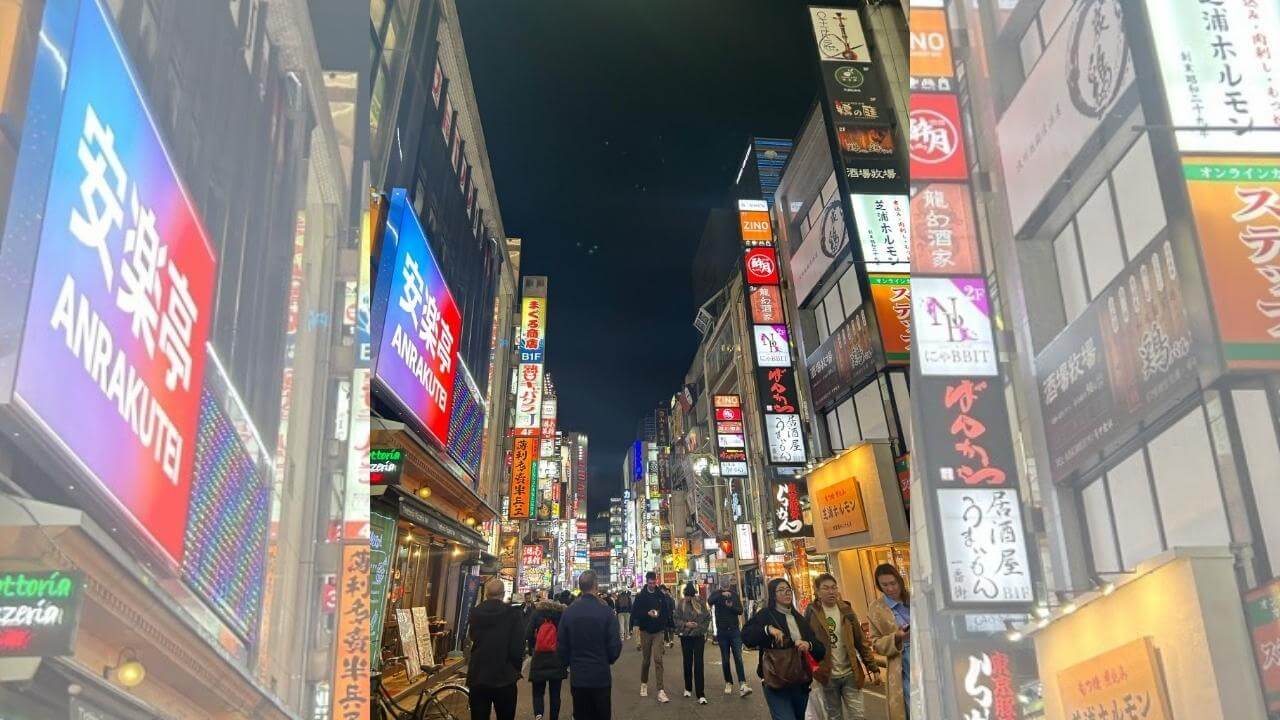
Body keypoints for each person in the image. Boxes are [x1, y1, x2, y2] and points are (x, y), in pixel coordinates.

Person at [742, 578, 826, 720]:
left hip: (800, 681)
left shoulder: (799, 618)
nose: (786, 593)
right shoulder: (765, 615)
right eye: (781, 590)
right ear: (773, 595)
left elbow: (820, 650)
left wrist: (808, 645)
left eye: (788, 590)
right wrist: (767, 630)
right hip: (775, 680)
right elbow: (746, 637)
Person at [804, 574, 880, 720]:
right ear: (818, 592)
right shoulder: (811, 613)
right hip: (827, 675)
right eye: (825, 588)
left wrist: (873, 667)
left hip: (850, 672)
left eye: (834, 587)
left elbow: (860, 641)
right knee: (834, 716)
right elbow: (807, 643)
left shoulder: (847, 610)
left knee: (858, 715)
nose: (831, 591)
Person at [557, 571, 622, 720]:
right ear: (596, 586)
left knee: (581, 714)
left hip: (578, 676)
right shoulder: (606, 612)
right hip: (601, 676)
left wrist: (569, 662)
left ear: (580, 587)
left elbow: (561, 646)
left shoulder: (569, 612)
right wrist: (607, 660)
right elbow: (615, 647)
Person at [467, 578, 525, 720]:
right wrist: (515, 669)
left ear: (486, 593)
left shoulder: (475, 612)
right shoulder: (513, 614)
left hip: (479, 674)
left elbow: (472, 637)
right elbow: (517, 648)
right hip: (504, 676)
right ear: (503, 594)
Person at [867, 564, 909, 720]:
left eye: (893, 583)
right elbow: (875, 643)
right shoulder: (876, 608)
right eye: (885, 585)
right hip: (901, 665)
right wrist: (896, 637)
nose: (890, 588)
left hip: (927, 659)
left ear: (900, 580)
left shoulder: (913, 599)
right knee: (910, 706)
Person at [630, 571, 671, 702]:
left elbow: (666, 612)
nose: (652, 585)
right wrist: (647, 613)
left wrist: (659, 616)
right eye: (650, 583)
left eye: (654, 582)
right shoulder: (641, 596)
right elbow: (635, 613)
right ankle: (644, 683)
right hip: (645, 631)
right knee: (646, 660)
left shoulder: (661, 595)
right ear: (647, 582)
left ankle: (661, 690)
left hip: (658, 631)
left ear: (656, 581)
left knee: (658, 659)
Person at [525, 596, 569, 720]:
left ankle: (539, 714)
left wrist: (535, 644)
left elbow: (528, 633)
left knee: (538, 691)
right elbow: (566, 635)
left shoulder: (536, 614)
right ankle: (554, 717)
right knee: (555, 693)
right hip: (557, 657)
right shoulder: (561, 615)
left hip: (539, 657)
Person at [709, 576, 752, 697]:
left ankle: (742, 683)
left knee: (738, 657)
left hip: (734, 631)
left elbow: (740, 611)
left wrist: (731, 606)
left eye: (727, 583)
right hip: (722, 632)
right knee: (725, 658)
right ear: (721, 584)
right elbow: (709, 601)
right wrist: (721, 594)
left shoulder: (734, 594)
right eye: (723, 583)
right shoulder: (716, 594)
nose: (725, 584)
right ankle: (728, 682)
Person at [674, 582, 711, 704]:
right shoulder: (681, 604)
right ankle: (688, 687)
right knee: (687, 662)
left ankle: (701, 693)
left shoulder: (700, 603)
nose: (687, 598)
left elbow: (707, 618)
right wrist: (685, 624)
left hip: (698, 637)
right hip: (686, 637)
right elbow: (676, 619)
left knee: (699, 664)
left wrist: (698, 628)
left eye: (689, 596)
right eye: (686, 596)